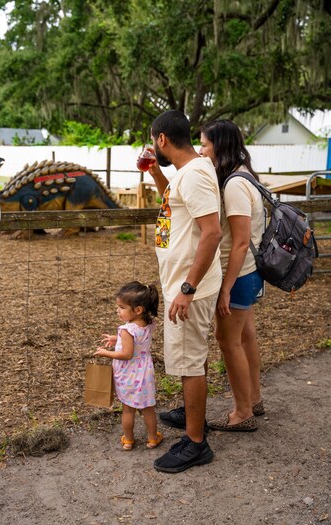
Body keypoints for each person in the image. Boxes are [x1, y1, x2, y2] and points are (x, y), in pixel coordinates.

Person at [147, 110, 222, 473]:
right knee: (194, 356)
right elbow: (176, 206)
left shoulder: (193, 175)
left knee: (189, 362)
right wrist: (155, 173)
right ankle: (197, 419)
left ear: (162, 139)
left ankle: (196, 443)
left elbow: (212, 232)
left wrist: (188, 288)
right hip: (185, 283)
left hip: (189, 288)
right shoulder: (187, 173)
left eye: (153, 140)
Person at [199, 119, 265, 431]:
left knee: (227, 340)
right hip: (246, 274)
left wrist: (225, 288)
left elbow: (239, 243)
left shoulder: (236, 184)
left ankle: (242, 414)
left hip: (238, 275)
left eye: (204, 144)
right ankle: (254, 398)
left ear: (219, 146)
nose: (201, 150)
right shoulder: (244, 174)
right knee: (246, 335)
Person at [93, 281, 163, 451]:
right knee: (148, 408)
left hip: (129, 373)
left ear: (138, 310)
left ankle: (129, 440)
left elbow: (127, 354)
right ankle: (153, 439)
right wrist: (115, 338)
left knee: (128, 409)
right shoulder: (148, 323)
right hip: (145, 371)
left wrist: (106, 353)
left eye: (122, 307)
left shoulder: (126, 330)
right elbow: (137, 340)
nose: (118, 310)